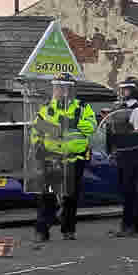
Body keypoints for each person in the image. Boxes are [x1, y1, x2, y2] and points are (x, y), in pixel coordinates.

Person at [30, 72, 96, 244]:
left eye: (60, 86)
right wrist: (38, 145)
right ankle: (42, 230)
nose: (57, 90)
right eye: (55, 87)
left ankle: (68, 229)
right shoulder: (47, 108)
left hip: (74, 159)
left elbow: (91, 128)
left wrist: (76, 123)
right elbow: (37, 129)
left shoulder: (82, 107)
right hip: (52, 159)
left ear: (69, 89)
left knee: (70, 197)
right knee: (48, 196)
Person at [109, 77, 138, 237]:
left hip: (133, 153)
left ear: (134, 90)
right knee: (124, 189)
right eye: (122, 89)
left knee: (131, 190)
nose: (123, 92)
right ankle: (130, 225)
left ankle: (132, 225)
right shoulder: (120, 108)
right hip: (122, 152)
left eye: (126, 89)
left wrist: (123, 137)